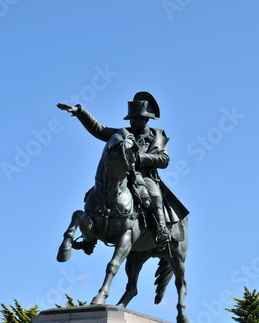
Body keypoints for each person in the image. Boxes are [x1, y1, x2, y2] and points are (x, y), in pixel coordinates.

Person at [57, 92, 187, 251]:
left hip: (144, 176)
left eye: (136, 119)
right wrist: (80, 112)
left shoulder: (157, 137)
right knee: (94, 195)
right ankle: (88, 238)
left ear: (146, 119)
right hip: (122, 173)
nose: (132, 122)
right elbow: (99, 130)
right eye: (131, 119)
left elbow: (164, 160)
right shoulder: (124, 134)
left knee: (154, 195)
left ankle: (161, 231)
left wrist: (139, 158)